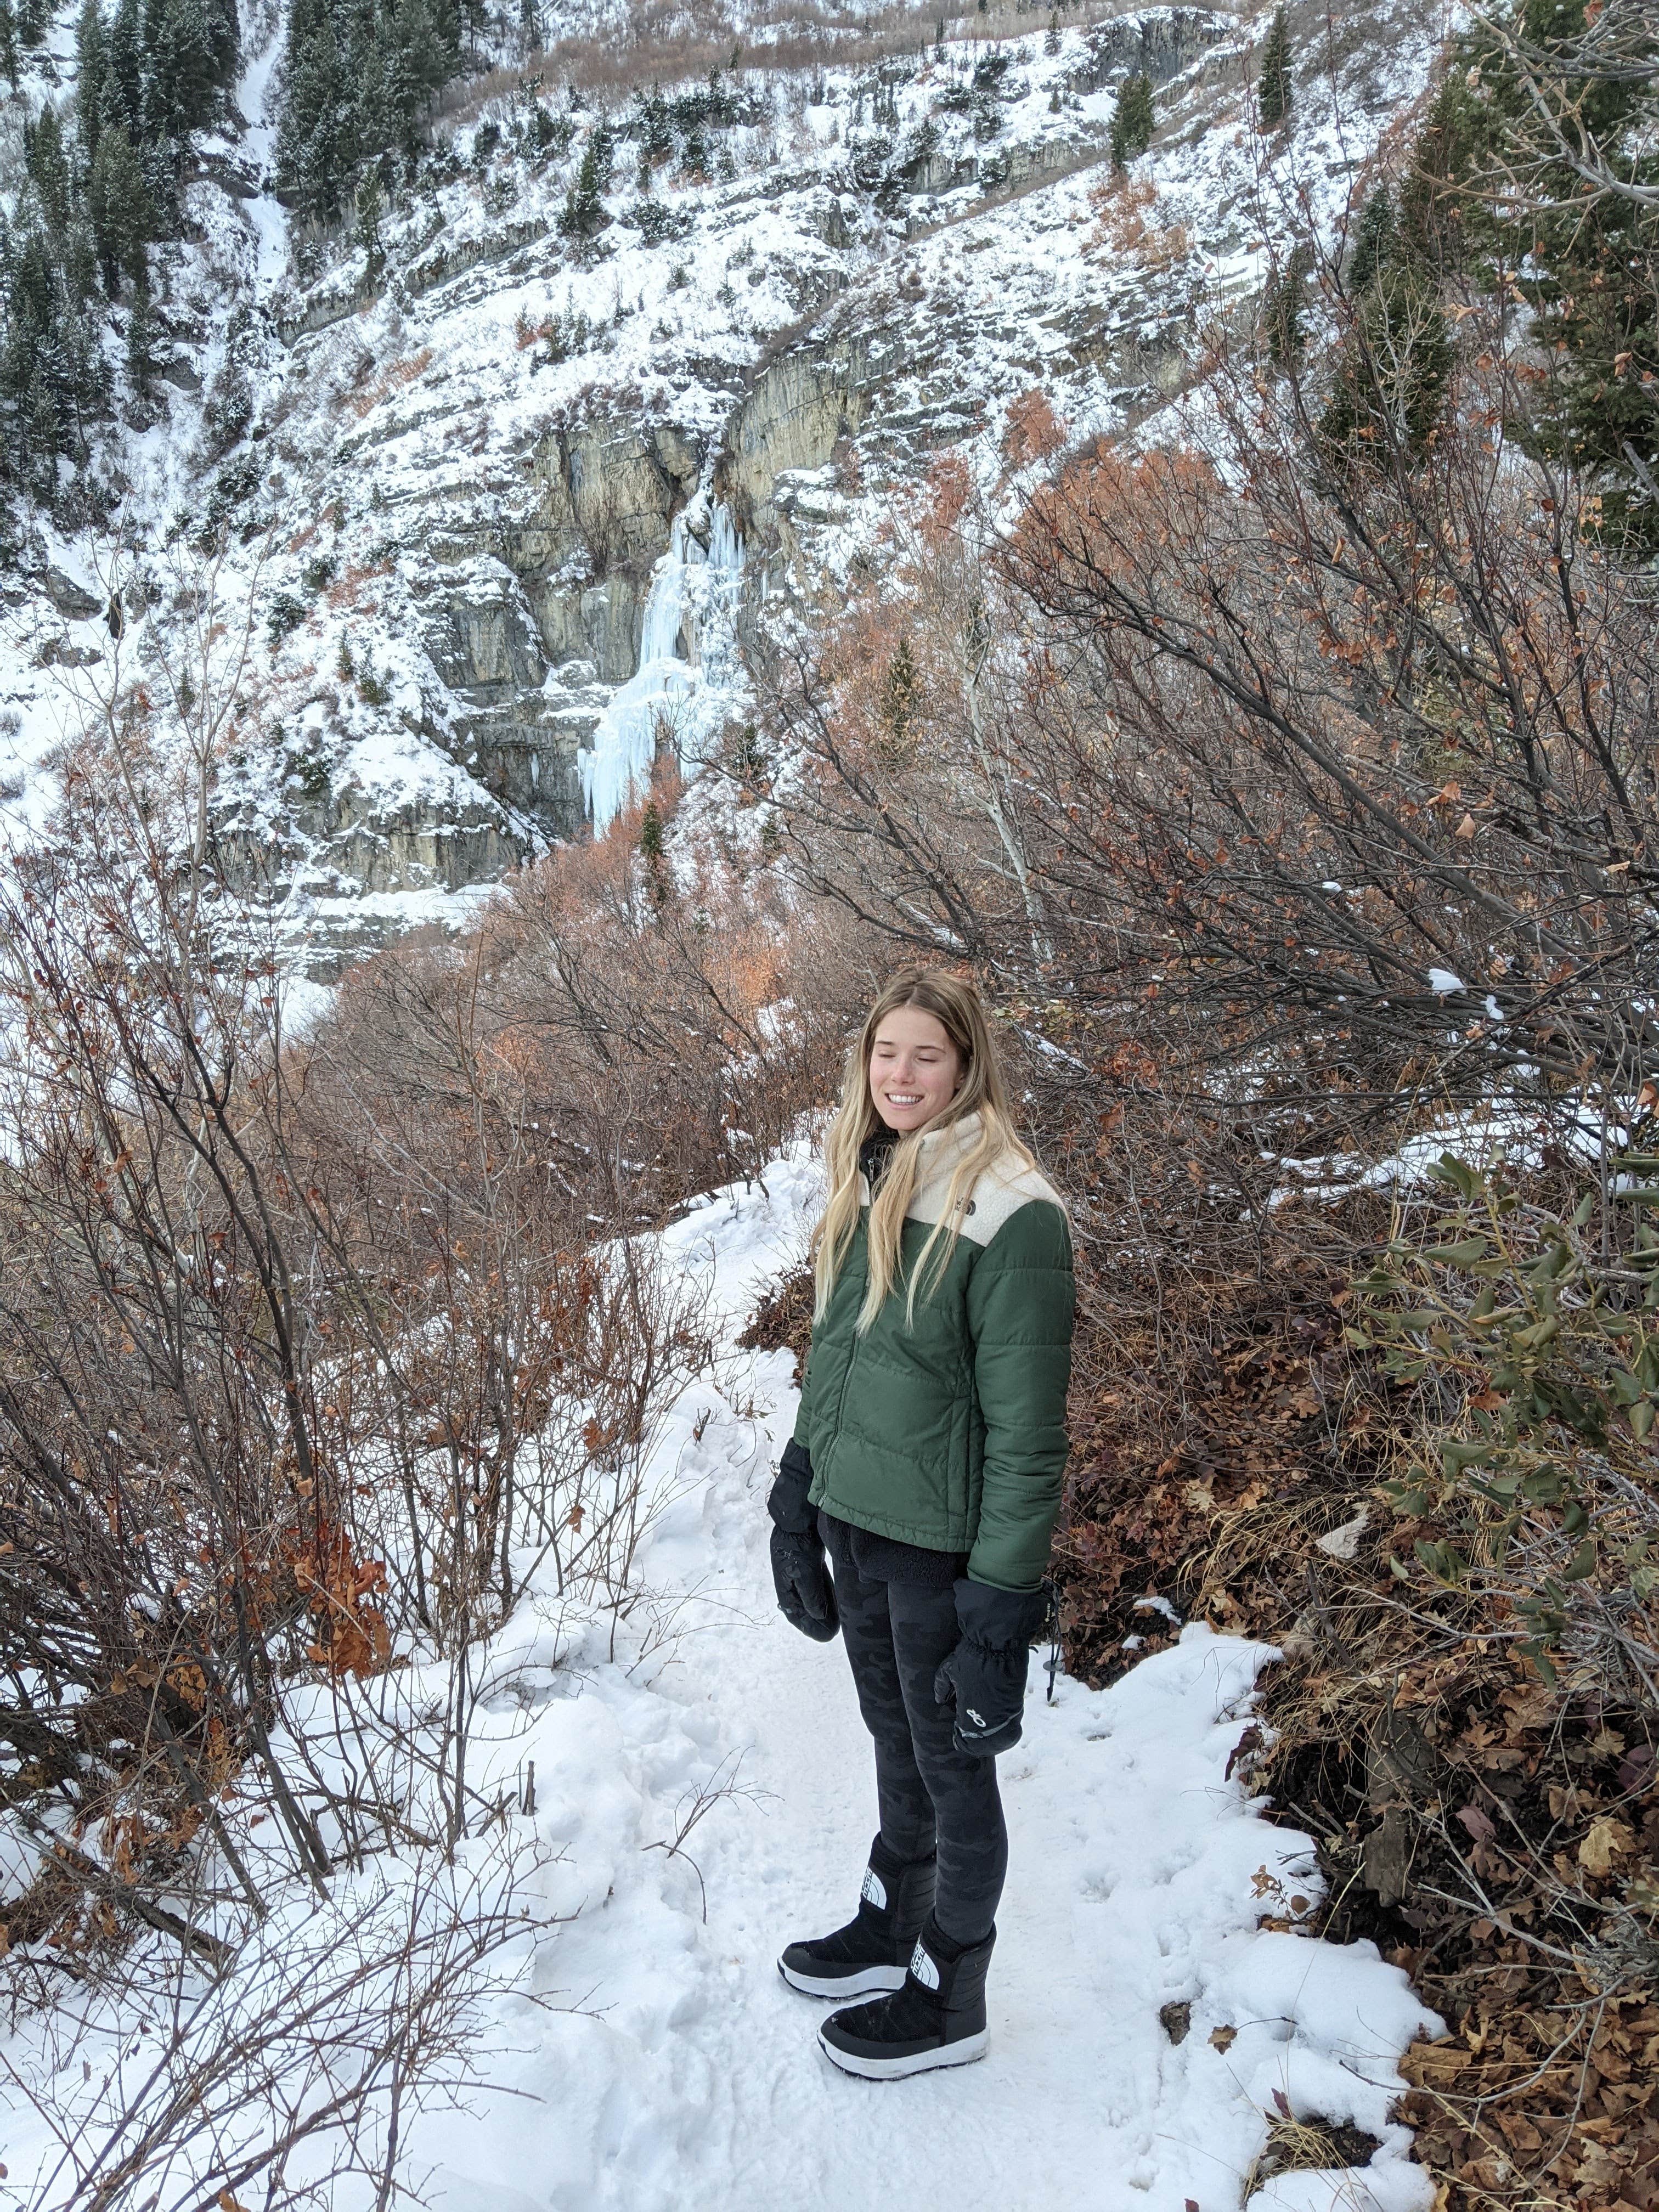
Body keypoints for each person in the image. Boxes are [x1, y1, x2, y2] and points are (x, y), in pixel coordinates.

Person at [766, 967, 1075, 2081]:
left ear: (966, 1066)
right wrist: (798, 1493)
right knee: (895, 1739)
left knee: (954, 1767)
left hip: (943, 1549)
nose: (900, 1075)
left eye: (925, 1057)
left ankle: (954, 1991)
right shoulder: (878, 1169)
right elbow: (837, 1357)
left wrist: (1000, 1614)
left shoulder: (1011, 1210)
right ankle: (891, 1918)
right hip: (860, 1522)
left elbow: (1029, 1430)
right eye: (885, 1053)